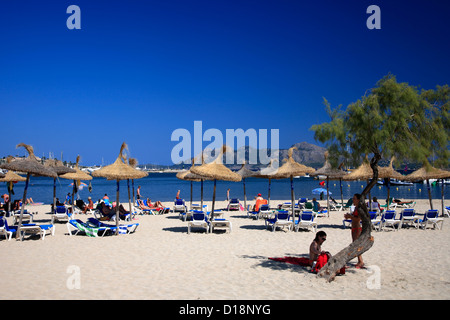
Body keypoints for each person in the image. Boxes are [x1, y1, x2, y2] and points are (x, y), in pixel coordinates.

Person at [344, 193, 364, 269]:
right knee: (355, 244)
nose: (353, 199)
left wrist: (350, 216)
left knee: (356, 245)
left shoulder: (359, 208)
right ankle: (359, 260)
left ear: (358, 200)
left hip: (357, 228)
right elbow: (354, 217)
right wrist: (349, 216)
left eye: (354, 198)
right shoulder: (356, 208)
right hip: (354, 227)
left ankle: (361, 261)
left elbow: (358, 219)